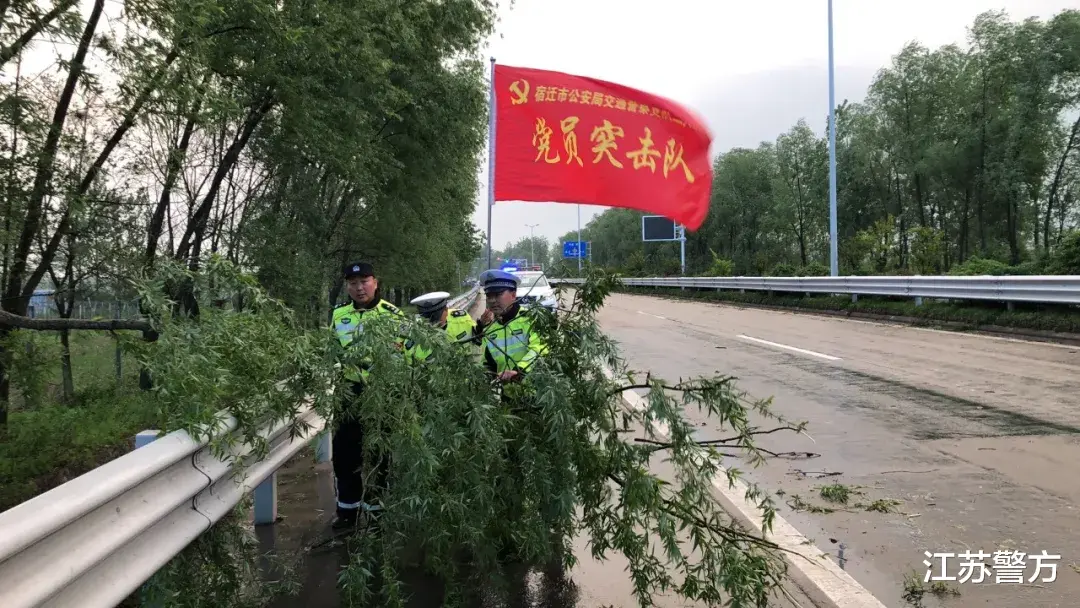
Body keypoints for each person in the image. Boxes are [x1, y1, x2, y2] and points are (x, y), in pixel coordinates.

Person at [329, 261, 404, 530]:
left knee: (377, 453)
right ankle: (347, 511)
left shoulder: (393, 315)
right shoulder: (339, 315)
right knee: (344, 454)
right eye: (353, 283)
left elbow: (403, 355)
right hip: (350, 392)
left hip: (380, 392)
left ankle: (375, 512)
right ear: (347, 286)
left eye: (364, 282)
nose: (359, 288)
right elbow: (333, 350)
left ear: (375, 282)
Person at [474, 269, 548, 390]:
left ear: (513, 295)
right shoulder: (490, 328)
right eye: (489, 296)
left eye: (498, 294)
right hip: (508, 394)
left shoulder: (531, 319)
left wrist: (519, 371)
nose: (492, 300)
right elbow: (488, 362)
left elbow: (540, 349)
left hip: (535, 392)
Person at [405, 290, 478, 363]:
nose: (432, 322)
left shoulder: (462, 319)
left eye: (436, 317)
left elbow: (477, 335)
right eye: (427, 318)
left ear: (446, 310)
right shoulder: (414, 338)